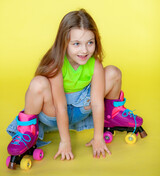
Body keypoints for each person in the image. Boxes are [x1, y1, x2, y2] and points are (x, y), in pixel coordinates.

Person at [7, 9, 145, 162]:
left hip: (82, 109)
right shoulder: (56, 65)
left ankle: (112, 115)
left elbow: (97, 103)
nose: (84, 50)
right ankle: (27, 131)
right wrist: (65, 142)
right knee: (38, 83)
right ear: (64, 43)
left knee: (113, 72)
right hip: (53, 112)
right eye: (77, 44)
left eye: (90, 43)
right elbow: (60, 107)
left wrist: (98, 137)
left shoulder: (95, 65)